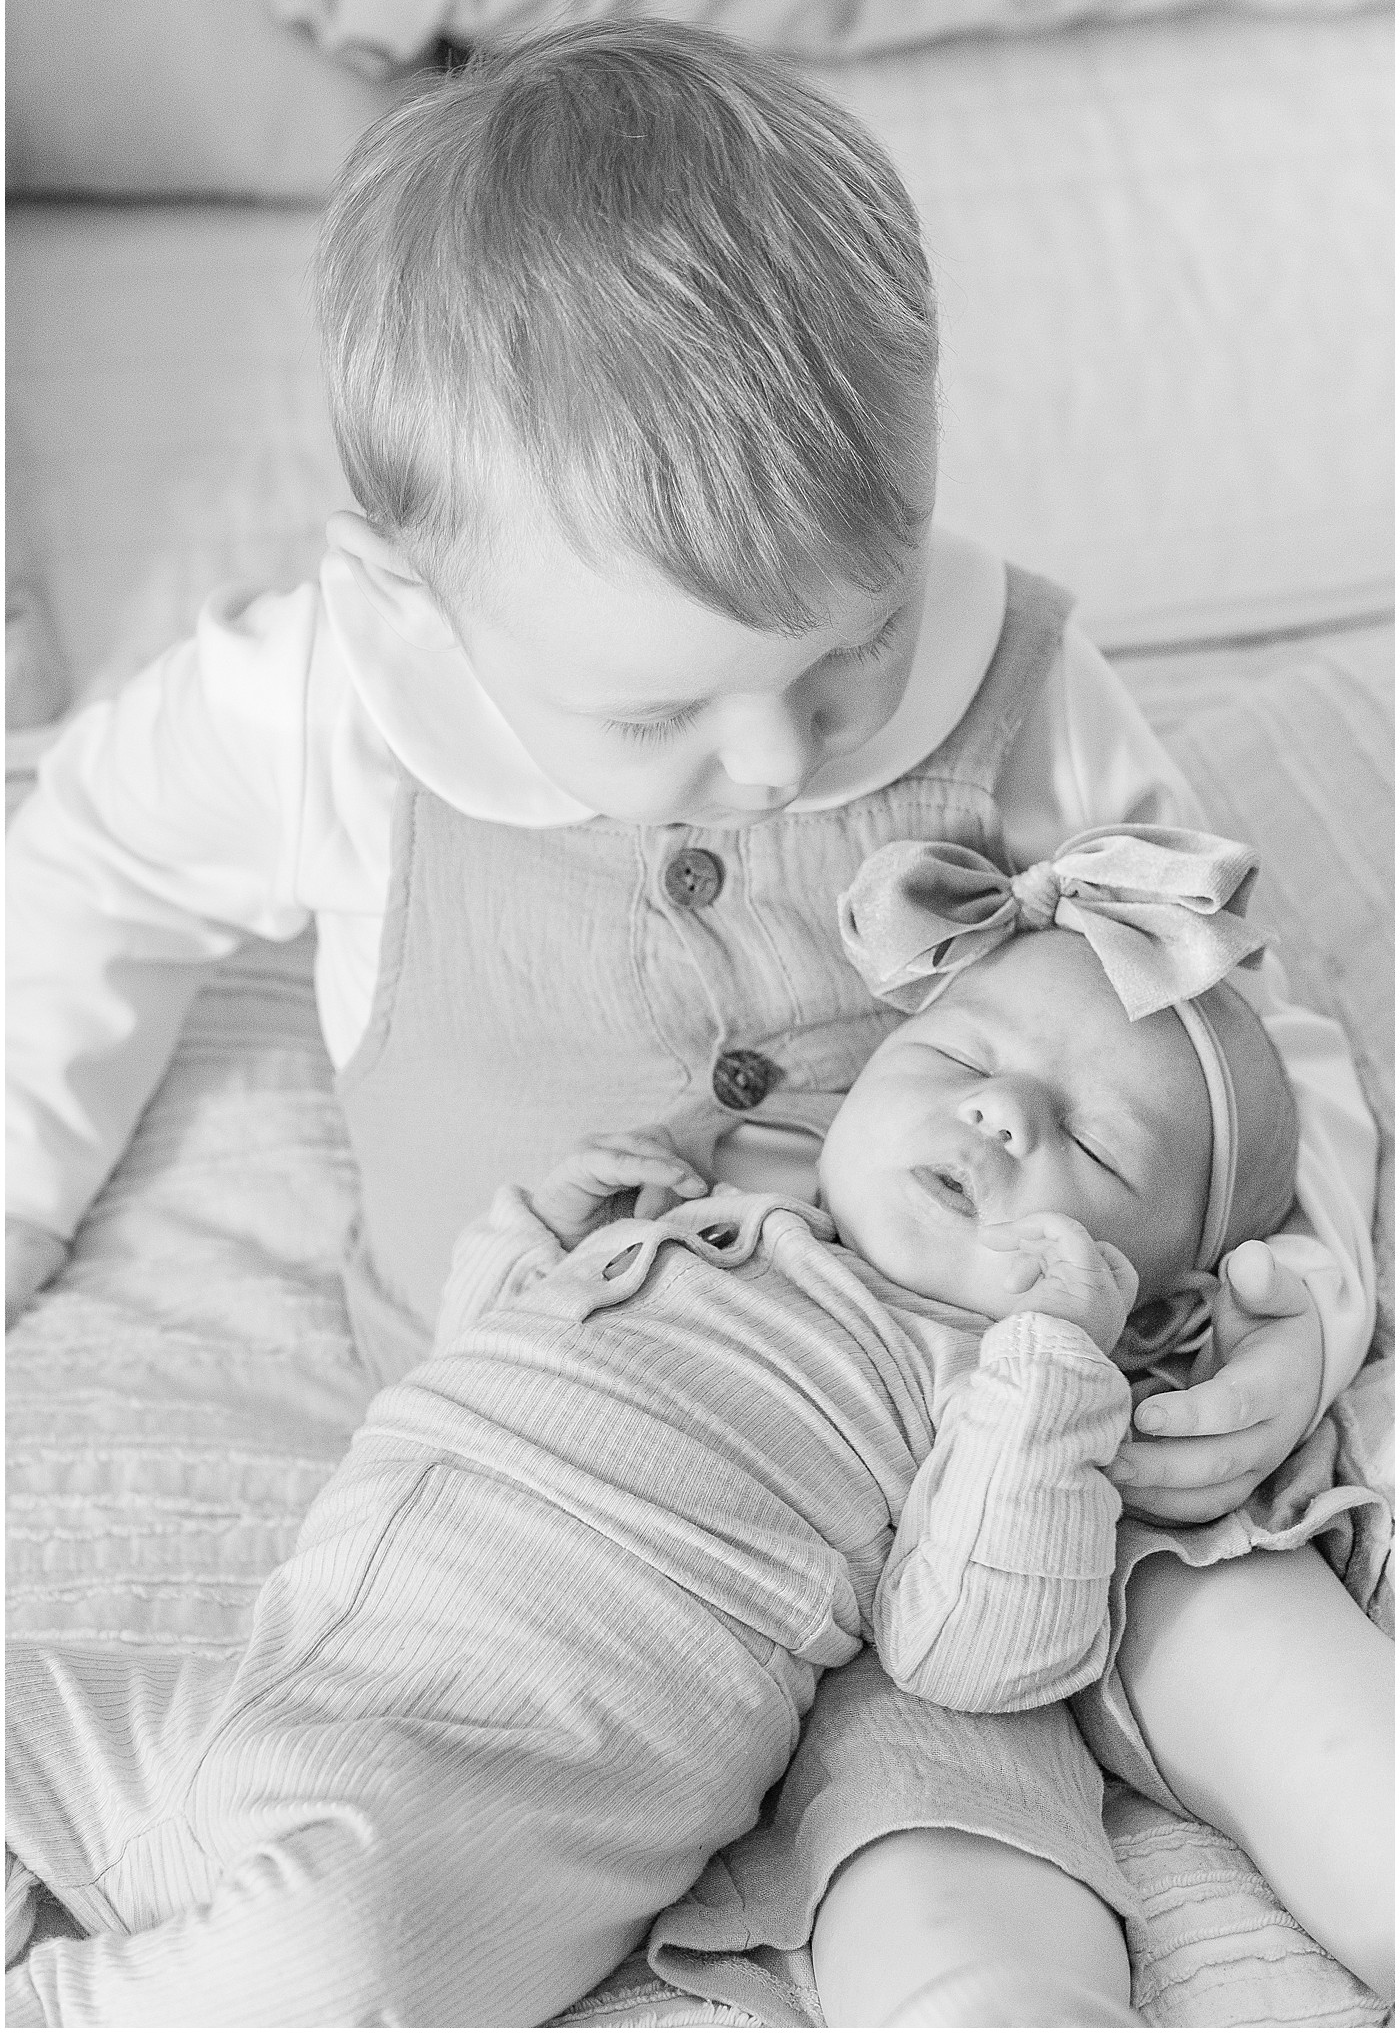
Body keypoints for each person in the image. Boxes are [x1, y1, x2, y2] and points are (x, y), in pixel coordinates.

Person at [5, 18, 1380, 2028]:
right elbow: (86, 867)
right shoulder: (339, 702)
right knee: (859, 1927)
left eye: (850, 657)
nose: (774, 755)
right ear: (419, 600)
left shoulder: (1023, 684)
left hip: (1042, 1416)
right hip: (596, 1520)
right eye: (658, 714)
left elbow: (1244, 1023)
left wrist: (1302, 1289)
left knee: (1298, 1721)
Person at [8, 830, 1387, 2027]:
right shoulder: (725, 1229)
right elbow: (470, 1392)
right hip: (267, 1676)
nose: (1001, 1110)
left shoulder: (994, 1389)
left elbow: (980, 1652)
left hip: (484, 1797)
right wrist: (533, 1245)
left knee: (339, 1961)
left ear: (1155, 1314)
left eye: (1091, 1147)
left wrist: (1050, 1369)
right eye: (961, 1054)